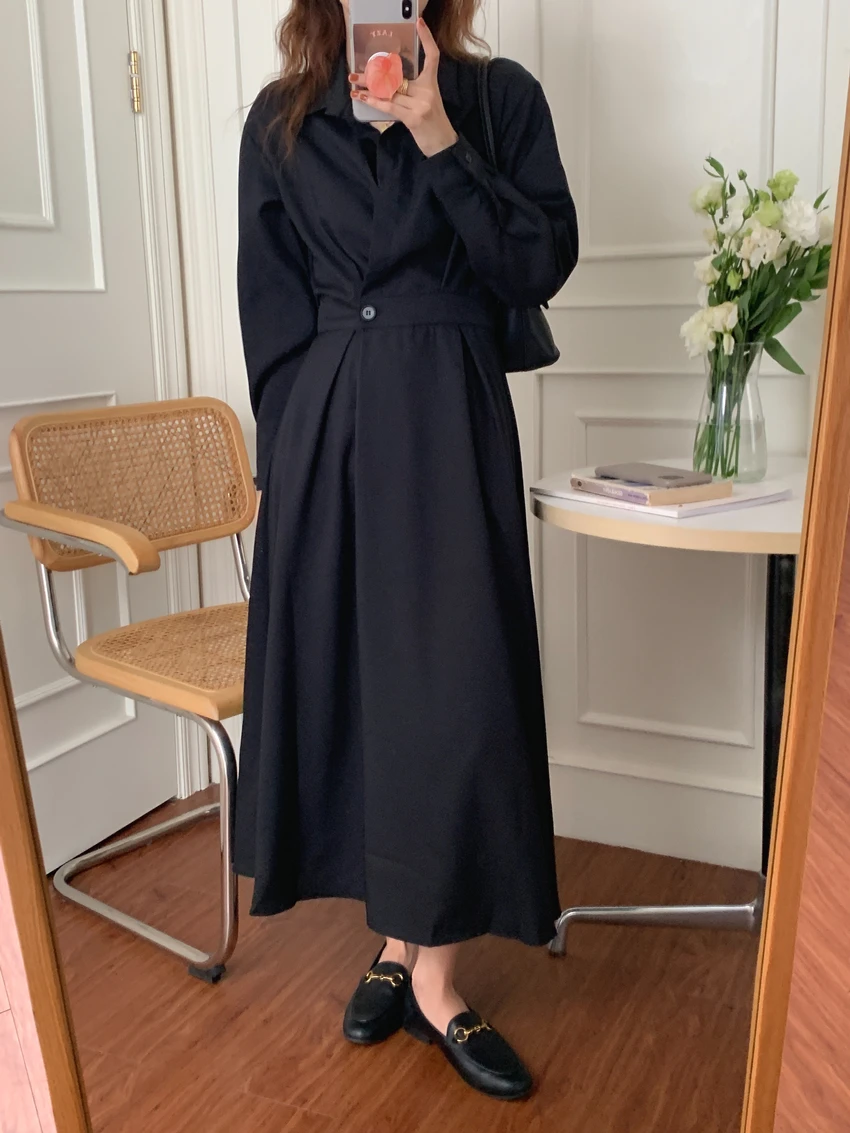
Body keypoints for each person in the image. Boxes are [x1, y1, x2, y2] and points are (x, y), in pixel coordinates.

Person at [234, 0, 578, 1101]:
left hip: (447, 419)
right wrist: (283, 462)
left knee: (453, 696)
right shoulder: (280, 121)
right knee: (363, 700)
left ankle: (435, 977)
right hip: (327, 432)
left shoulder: (499, 100)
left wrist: (436, 133)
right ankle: (396, 940)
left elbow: (536, 262)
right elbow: (270, 309)